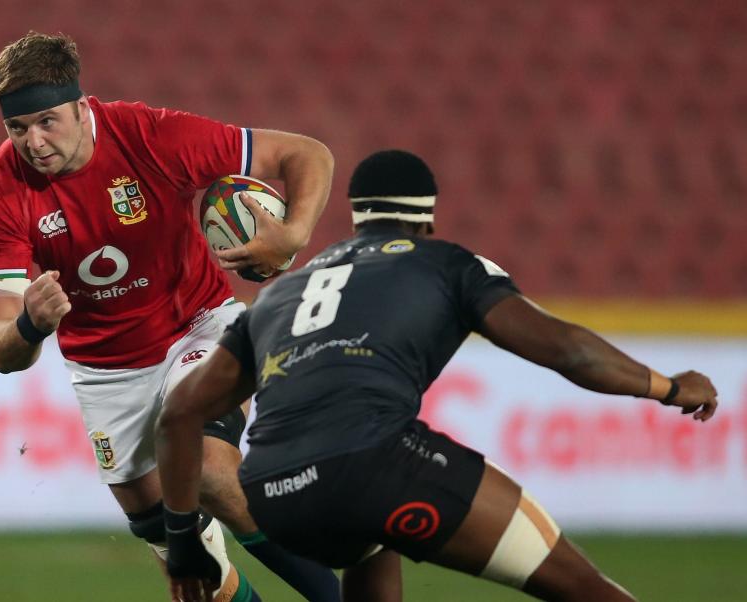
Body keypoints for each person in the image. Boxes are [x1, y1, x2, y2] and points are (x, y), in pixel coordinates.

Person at [155, 149, 720, 602]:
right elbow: (566, 350)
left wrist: (182, 544)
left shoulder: (279, 295)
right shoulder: (443, 261)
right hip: (375, 462)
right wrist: (667, 386)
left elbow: (181, 413)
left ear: (357, 216)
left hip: (276, 495)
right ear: (426, 216)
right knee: (581, 587)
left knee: (371, 548)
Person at [0, 31, 342, 602]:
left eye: (47, 121)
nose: (34, 142)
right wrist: (29, 325)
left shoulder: (151, 136)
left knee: (212, 474)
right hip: (106, 375)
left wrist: (290, 236)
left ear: (80, 104)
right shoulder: (3, 193)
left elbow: (307, 154)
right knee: (194, 581)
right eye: (17, 129)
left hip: (198, 326)